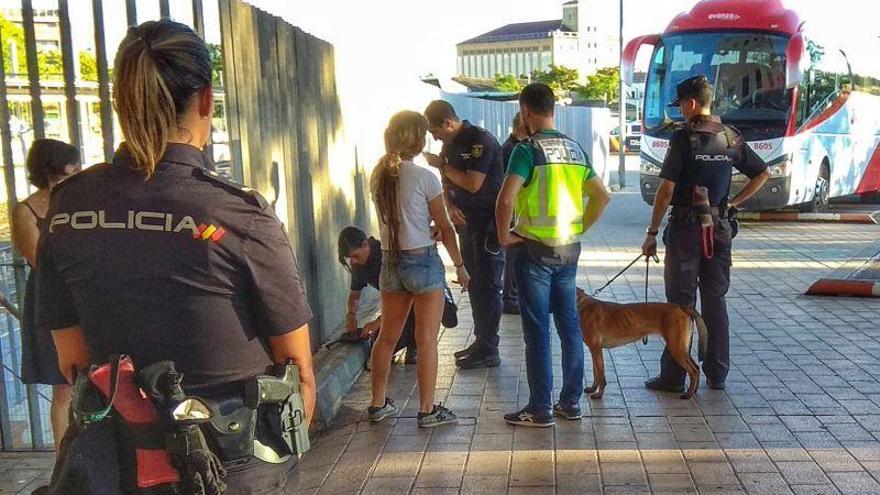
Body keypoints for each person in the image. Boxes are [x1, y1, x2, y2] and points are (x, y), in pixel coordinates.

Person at [37, 19, 314, 493]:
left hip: (116, 469)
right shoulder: (236, 211)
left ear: (121, 102)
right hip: (229, 468)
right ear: (206, 99)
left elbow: (75, 362)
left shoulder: (68, 206)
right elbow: (300, 374)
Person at [641, 75, 769, 393]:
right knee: (715, 300)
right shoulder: (731, 137)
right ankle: (717, 373)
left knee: (680, 305)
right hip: (720, 229)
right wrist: (733, 204)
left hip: (686, 231)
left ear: (693, 103)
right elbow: (762, 172)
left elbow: (666, 189)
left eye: (682, 104)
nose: (681, 110)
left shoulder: (683, 138)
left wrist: (652, 231)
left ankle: (673, 376)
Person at [496, 83, 610, 427]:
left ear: (525, 110)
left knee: (537, 332)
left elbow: (505, 199)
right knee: (570, 327)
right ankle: (570, 403)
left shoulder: (526, 150)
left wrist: (504, 235)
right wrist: (579, 229)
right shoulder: (575, 150)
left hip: (533, 252)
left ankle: (540, 408)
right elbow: (602, 196)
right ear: (553, 111)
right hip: (568, 250)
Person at [368, 110, 469, 428]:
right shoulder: (425, 176)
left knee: (387, 338)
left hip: (390, 260)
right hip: (422, 262)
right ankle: (427, 410)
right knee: (426, 339)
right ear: (418, 140)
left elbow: (403, 217)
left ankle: (377, 404)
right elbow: (446, 226)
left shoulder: (379, 174)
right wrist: (460, 266)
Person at [423, 100, 505, 369]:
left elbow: (472, 182)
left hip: (488, 223)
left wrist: (441, 166)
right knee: (472, 282)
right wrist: (449, 205)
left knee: (488, 285)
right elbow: (449, 184)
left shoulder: (479, 141)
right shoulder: (449, 145)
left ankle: (489, 347)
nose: (436, 139)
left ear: (448, 123)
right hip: (466, 221)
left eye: (437, 132)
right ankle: (481, 342)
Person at [12, 139, 80, 451]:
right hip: (51, 300)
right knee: (62, 388)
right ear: (50, 171)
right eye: (70, 170)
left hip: (81, 295)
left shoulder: (77, 203)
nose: (77, 175)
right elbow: (40, 261)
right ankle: (63, 459)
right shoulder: (25, 212)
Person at [338, 226, 417, 364]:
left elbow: (405, 296)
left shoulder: (386, 257)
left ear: (365, 244)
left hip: (414, 300)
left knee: (388, 342)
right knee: (377, 345)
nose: (354, 261)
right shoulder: (358, 264)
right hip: (395, 305)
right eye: (350, 258)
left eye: (356, 256)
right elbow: (355, 295)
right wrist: (351, 316)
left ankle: (415, 345)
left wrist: (379, 321)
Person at [499, 112, 528, 315]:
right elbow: (506, 189)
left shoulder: (515, 148)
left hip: (518, 211)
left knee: (516, 256)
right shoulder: (511, 150)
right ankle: (509, 297)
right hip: (513, 212)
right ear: (521, 127)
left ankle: (513, 295)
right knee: (511, 257)